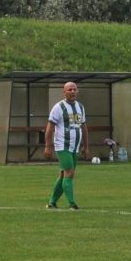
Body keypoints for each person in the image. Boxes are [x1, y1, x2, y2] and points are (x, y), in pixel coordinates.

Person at [46, 80, 87, 209]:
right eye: (69, 89)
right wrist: (48, 146)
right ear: (64, 92)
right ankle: (72, 204)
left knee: (64, 174)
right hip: (62, 145)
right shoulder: (58, 107)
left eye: (74, 89)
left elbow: (84, 127)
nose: (73, 91)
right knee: (69, 172)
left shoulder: (80, 107)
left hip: (75, 147)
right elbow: (49, 128)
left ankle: (52, 202)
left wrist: (86, 146)